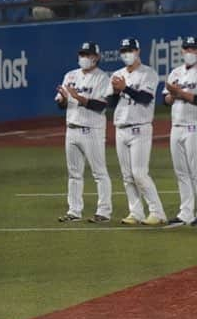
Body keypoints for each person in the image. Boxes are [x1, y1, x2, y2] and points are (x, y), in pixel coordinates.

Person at [108, 37, 167, 226]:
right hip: (121, 128)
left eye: (130, 50)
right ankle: (136, 213)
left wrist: (125, 88)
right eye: (124, 51)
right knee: (127, 176)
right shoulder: (117, 74)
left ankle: (157, 212)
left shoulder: (148, 73)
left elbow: (145, 97)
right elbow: (110, 104)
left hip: (140, 128)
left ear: (138, 51)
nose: (127, 54)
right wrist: (117, 92)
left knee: (139, 173)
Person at [54, 41, 112, 224]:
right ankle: (74, 211)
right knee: (74, 173)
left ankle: (103, 212)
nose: (84, 58)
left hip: (92, 130)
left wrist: (78, 97)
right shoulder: (70, 76)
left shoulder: (102, 78)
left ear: (96, 58)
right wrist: (63, 99)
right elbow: (60, 105)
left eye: (87, 55)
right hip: (71, 129)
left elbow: (101, 105)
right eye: (82, 54)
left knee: (99, 172)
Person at [163, 36, 197, 227]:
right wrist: (171, 95)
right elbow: (165, 100)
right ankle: (185, 212)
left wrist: (180, 94)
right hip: (177, 125)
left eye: (194, 49)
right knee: (181, 172)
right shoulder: (175, 72)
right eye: (187, 49)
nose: (190, 52)